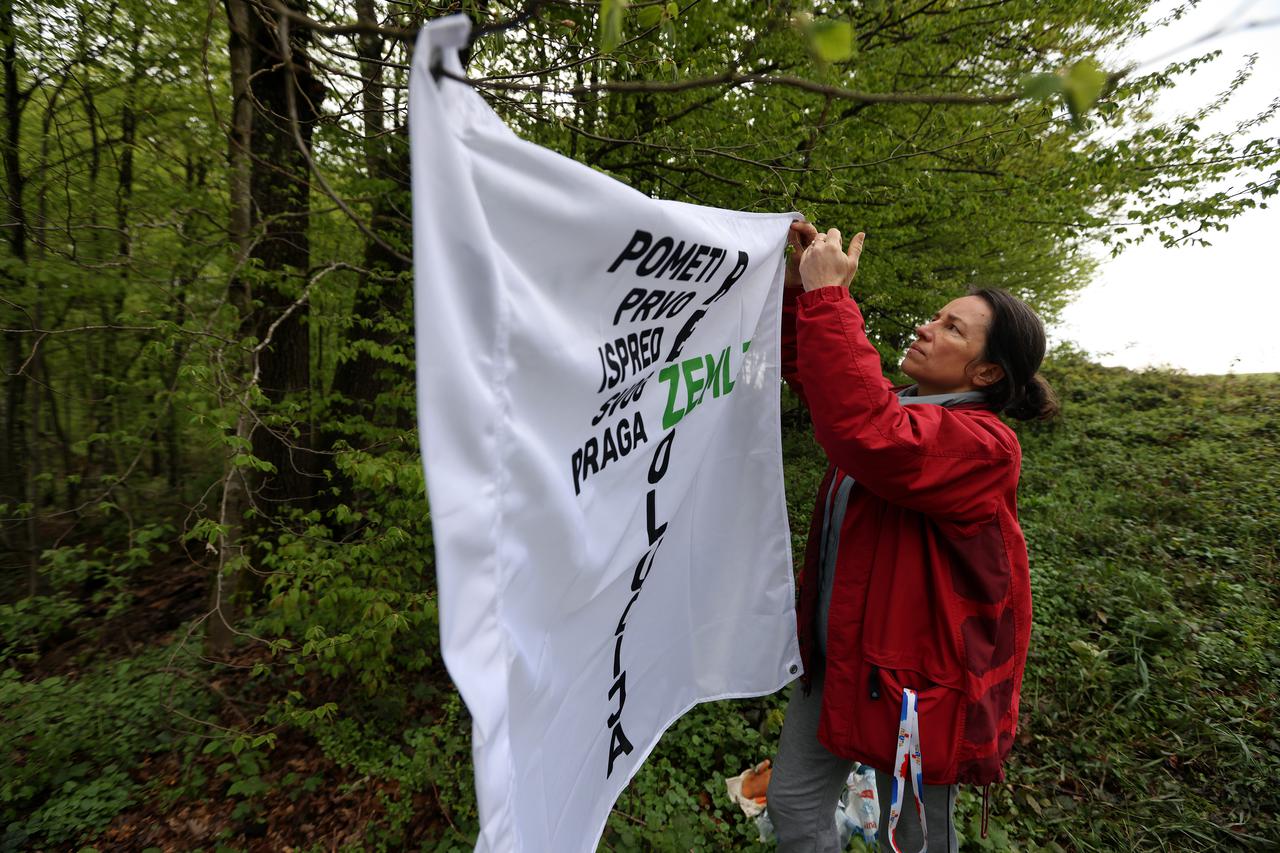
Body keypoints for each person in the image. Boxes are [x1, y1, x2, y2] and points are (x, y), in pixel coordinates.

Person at [766, 220, 1058, 853]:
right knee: (793, 808)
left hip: (914, 694)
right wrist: (799, 294)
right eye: (937, 316)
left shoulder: (984, 447)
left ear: (985, 374)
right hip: (838, 659)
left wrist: (830, 300)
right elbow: (822, 378)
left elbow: (866, 430)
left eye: (953, 328)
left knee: (916, 842)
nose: (928, 327)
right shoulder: (901, 406)